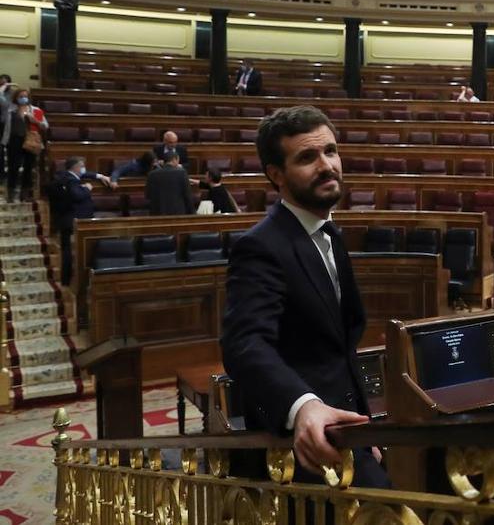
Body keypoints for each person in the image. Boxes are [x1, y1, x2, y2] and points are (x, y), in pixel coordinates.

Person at [220, 106, 388, 487]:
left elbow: (338, 351)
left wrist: (365, 432)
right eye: (307, 157)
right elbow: (244, 344)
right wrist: (303, 406)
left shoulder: (330, 233)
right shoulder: (261, 246)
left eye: (330, 151)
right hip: (302, 442)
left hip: (347, 430)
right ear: (276, 175)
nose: (327, 165)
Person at [51, 156, 116, 284]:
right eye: (81, 166)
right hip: (73, 220)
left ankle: (66, 279)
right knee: (70, 251)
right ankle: (68, 279)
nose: (83, 169)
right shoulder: (71, 181)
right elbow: (77, 195)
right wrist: (86, 188)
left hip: (65, 219)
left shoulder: (65, 175)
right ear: (75, 168)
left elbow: (86, 174)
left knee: (66, 250)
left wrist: (99, 176)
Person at [2, 87, 49, 203]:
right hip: (14, 140)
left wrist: (35, 121)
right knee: (14, 167)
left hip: (31, 140)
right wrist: (4, 142)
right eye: (21, 96)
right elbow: (7, 128)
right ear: (16, 98)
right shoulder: (10, 110)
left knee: (29, 167)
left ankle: (25, 193)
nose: (23, 98)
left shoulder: (36, 110)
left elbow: (45, 126)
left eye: (25, 96)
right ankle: (11, 193)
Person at [146, 151, 197, 215]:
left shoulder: (151, 174)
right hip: (177, 213)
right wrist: (192, 212)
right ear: (175, 159)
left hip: (157, 213)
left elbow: (148, 195)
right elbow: (187, 195)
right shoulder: (182, 173)